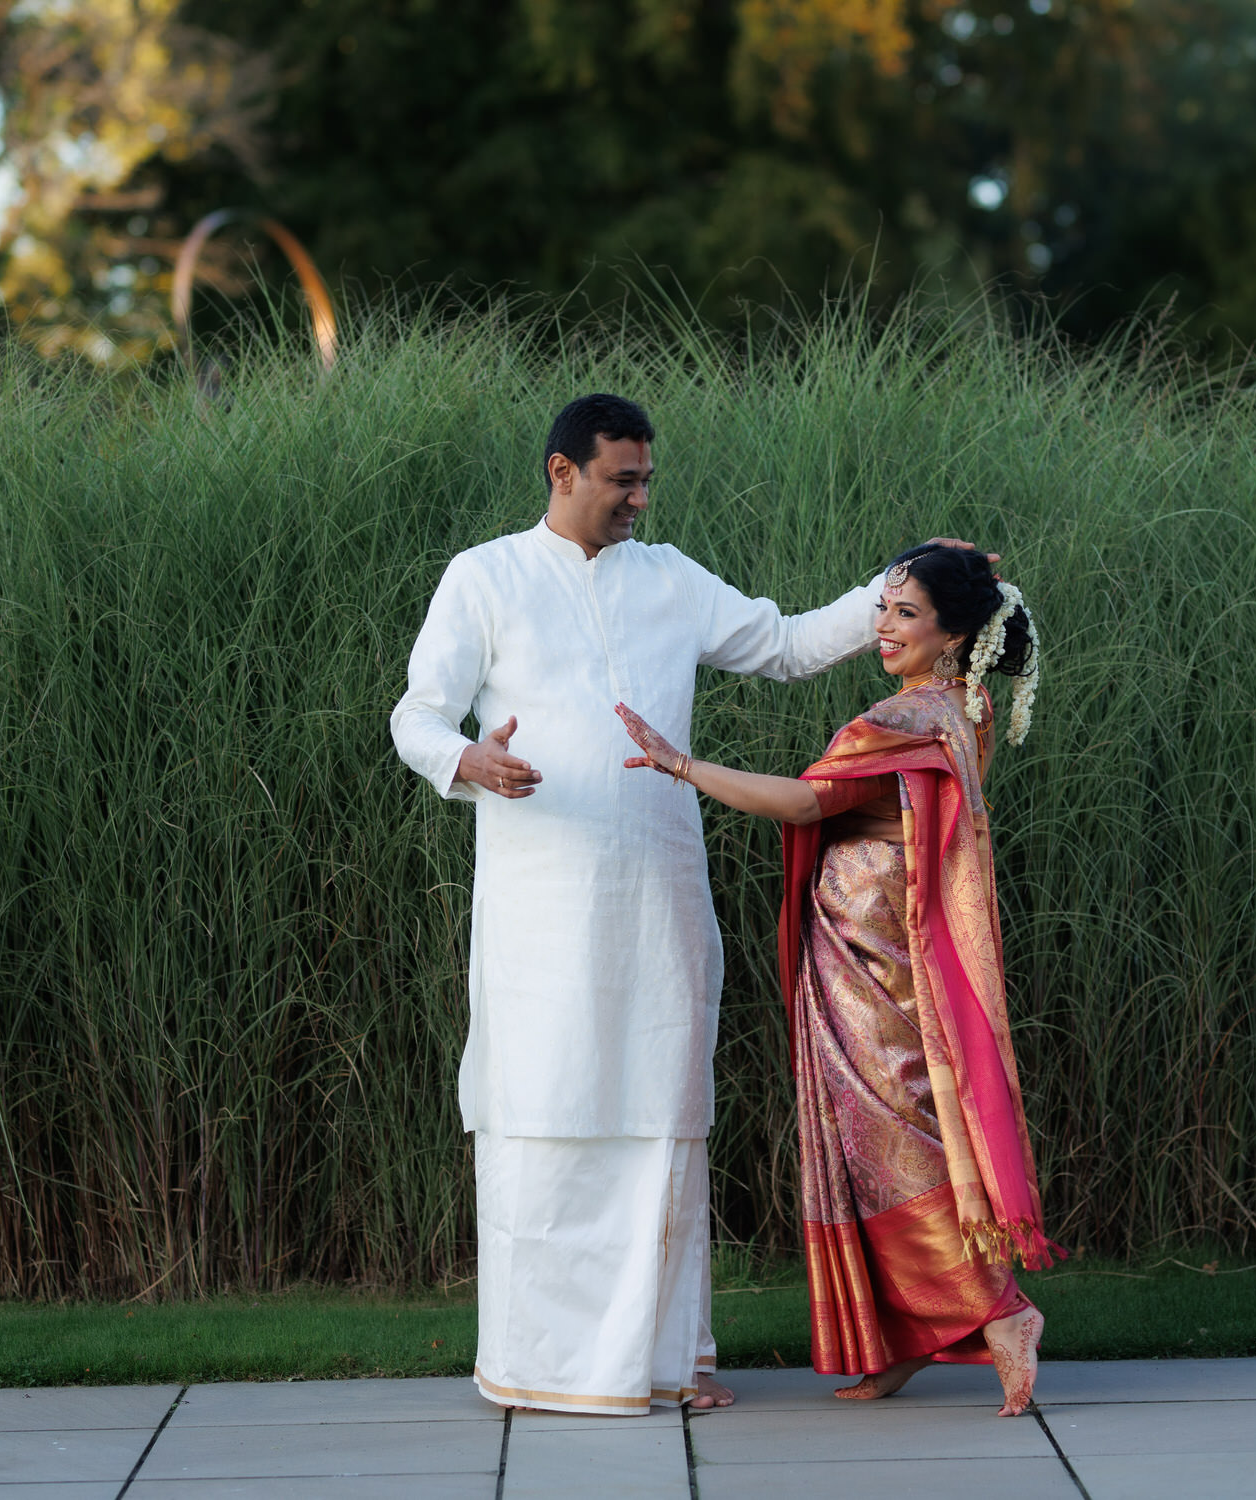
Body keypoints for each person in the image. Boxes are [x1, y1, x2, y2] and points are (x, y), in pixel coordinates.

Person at [389, 392, 988, 1417]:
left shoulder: (667, 579)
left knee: (662, 1114)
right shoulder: (484, 576)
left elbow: (790, 643)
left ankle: (668, 1360)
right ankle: (545, 1363)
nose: (638, 498)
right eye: (622, 479)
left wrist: (897, 581)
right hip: (540, 906)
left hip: (659, 894)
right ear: (561, 472)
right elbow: (417, 711)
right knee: (544, 1106)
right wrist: (466, 760)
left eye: (645, 480)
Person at [615, 542, 1060, 1418]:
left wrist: (683, 767)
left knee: (891, 1142)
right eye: (884, 611)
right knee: (867, 1142)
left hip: (873, 968)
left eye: (905, 615)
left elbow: (805, 803)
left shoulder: (904, 718)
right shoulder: (958, 710)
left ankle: (998, 1312)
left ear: (953, 633)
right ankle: (904, 1337)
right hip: (871, 952)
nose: (884, 629)